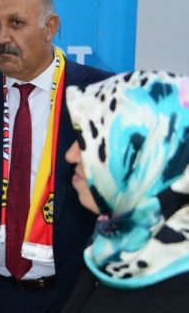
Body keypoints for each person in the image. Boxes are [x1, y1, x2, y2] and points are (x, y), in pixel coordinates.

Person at [0, 0, 112, 312]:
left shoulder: (99, 93)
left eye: (16, 23)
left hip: (76, 291)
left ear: (50, 27)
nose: (2, 38)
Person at [62, 70, 189, 312]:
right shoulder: (114, 237)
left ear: (146, 157)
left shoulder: (180, 290)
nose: (71, 155)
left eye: (91, 139)